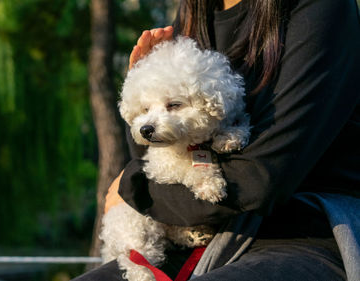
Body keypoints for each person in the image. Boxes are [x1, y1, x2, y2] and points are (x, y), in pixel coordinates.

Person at [75, 0, 360, 280]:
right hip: (208, 235)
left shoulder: (321, 8)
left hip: (307, 231)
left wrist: (135, 188)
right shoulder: (196, 9)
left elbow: (261, 179)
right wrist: (141, 79)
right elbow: (153, 151)